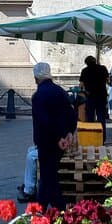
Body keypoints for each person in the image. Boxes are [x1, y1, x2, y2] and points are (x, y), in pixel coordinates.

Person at [31, 62, 76, 209]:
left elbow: (44, 122)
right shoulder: (60, 91)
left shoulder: (38, 96)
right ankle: (42, 208)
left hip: (47, 142)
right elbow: (71, 114)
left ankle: (57, 209)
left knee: (48, 176)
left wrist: (58, 138)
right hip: (61, 141)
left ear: (36, 77)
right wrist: (68, 133)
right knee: (48, 175)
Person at [79, 55, 109, 141]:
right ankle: (102, 138)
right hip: (101, 95)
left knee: (90, 117)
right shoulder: (103, 68)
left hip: (90, 96)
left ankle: (91, 137)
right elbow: (107, 79)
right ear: (95, 61)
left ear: (86, 63)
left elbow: (81, 84)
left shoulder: (85, 71)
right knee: (101, 118)